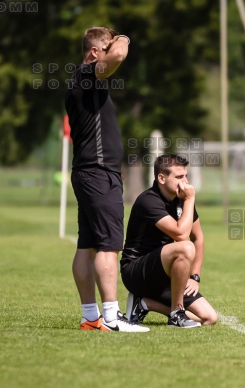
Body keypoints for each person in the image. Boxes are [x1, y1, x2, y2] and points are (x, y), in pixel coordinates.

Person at [65, 26, 148, 332]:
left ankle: (91, 317)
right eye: (107, 47)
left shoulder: (84, 78)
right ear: (96, 52)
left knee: (87, 245)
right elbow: (120, 53)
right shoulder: (88, 73)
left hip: (90, 173)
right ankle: (112, 318)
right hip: (99, 174)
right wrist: (124, 36)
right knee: (108, 246)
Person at [121, 154, 218, 328]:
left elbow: (198, 237)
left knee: (209, 318)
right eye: (179, 177)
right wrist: (190, 199)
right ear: (161, 178)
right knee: (185, 247)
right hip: (136, 272)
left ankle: (144, 303)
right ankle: (176, 314)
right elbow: (181, 235)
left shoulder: (182, 199)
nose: (185, 182)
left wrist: (195, 276)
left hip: (165, 272)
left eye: (186, 176)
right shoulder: (148, 200)